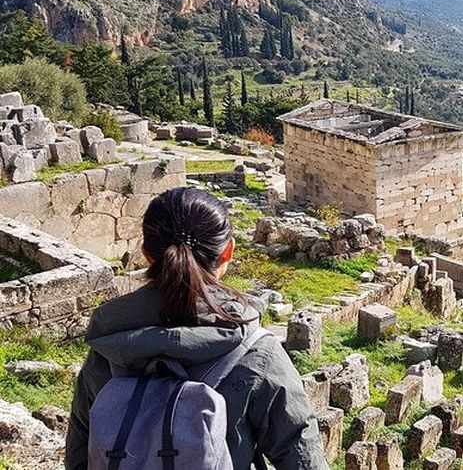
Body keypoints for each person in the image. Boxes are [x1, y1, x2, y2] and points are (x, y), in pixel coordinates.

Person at [65, 187, 329, 469]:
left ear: (146, 254)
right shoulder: (257, 354)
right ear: (228, 251)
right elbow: (302, 458)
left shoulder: (110, 346)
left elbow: (80, 455)